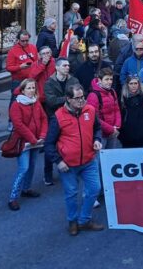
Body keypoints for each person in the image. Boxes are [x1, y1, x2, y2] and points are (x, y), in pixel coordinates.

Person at [45, 83, 104, 236]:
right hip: (68, 164)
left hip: (89, 160)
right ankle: (72, 221)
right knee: (71, 194)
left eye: (83, 97)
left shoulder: (90, 110)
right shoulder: (58, 117)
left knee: (94, 189)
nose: (81, 101)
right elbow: (49, 143)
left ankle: (84, 220)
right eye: (77, 98)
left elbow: (96, 128)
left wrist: (97, 139)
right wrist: (59, 161)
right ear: (68, 99)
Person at [8, 78, 47, 211]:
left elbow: (43, 118)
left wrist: (42, 136)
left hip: (36, 141)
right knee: (23, 168)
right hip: (24, 142)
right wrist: (32, 139)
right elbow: (18, 125)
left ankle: (26, 189)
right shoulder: (16, 105)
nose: (32, 90)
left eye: (33, 88)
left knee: (32, 166)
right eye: (29, 88)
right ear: (22, 90)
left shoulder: (36, 102)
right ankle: (13, 198)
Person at [42, 59, 80, 186]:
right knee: (51, 143)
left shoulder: (73, 80)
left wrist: (69, 100)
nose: (67, 67)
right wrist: (69, 99)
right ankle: (48, 173)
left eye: (68, 65)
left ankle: (71, 168)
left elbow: (79, 96)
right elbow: (51, 101)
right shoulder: (49, 83)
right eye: (64, 65)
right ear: (57, 68)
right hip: (55, 117)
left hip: (71, 116)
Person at [86, 68, 121, 149]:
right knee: (100, 158)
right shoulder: (93, 95)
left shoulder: (112, 92)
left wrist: (116, 126)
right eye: (106, 79)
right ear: (99, 80)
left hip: (113, 132)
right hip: (100, 135)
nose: (110, 82)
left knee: (111, 157)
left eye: (111, 79)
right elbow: (94, 118)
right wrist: (111, 129)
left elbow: (117, 109)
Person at [118, 76, 143, 148]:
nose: (133, 86)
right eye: (131, 83)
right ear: (127, 85)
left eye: (135, 83)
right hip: (127, 134)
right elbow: (120, 114)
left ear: (139, 84)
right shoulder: (122, 97)